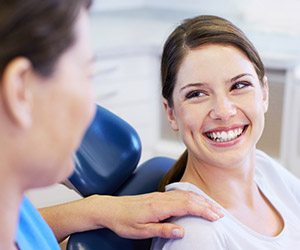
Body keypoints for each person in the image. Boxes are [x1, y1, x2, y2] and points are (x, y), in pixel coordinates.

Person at [0, 1, 224, 249]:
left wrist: (96, 210)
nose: (91, 111)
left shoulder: (15, 212)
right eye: (86, 75)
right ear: (20, 91)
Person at [151, 15, 300, 249]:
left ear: (264, 94)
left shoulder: (265, 169)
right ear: (171, 113)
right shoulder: (196, 235)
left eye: (239, 85)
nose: (223, 111)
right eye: (196, 94)